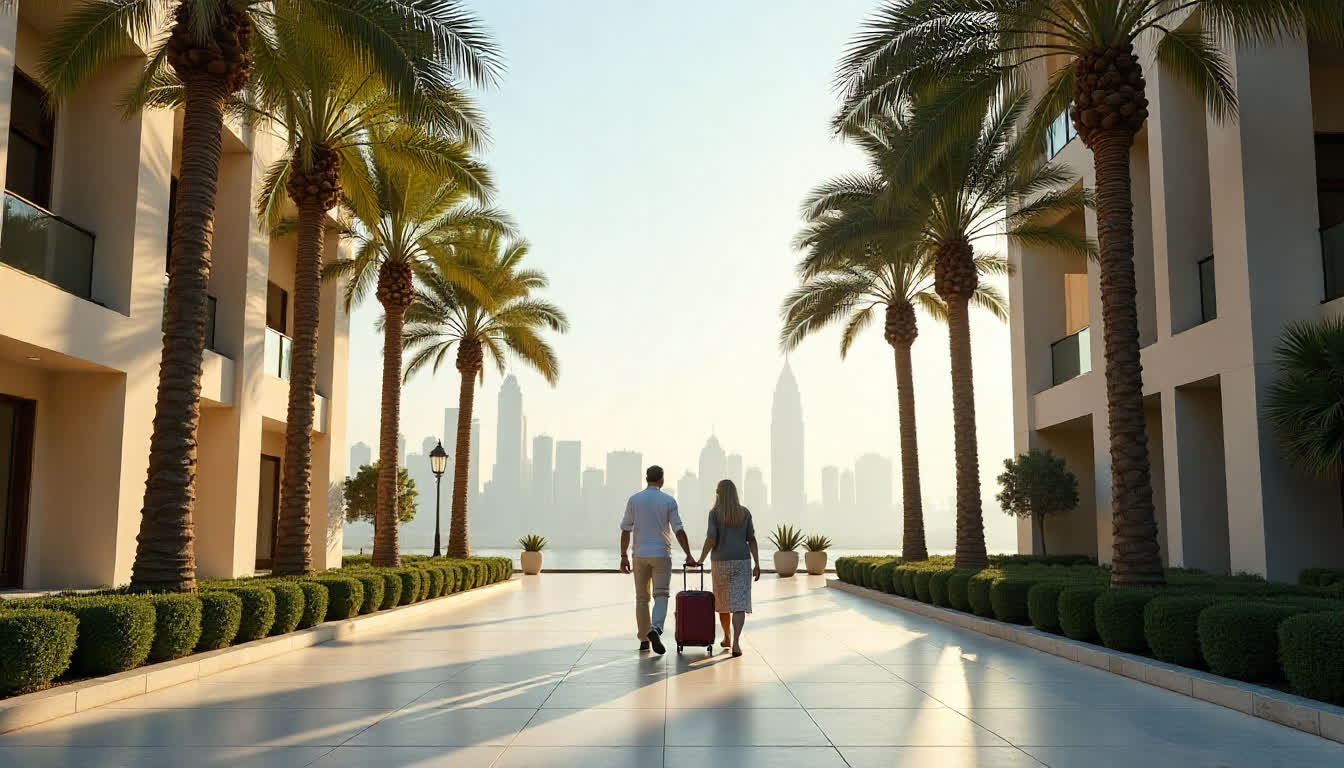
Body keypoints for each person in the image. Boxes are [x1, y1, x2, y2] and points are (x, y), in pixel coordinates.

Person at [620, 465, 696, 654]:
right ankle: (655, 629)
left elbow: (625, 530)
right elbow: (678, 530)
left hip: (639, 554)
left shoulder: (634, 500)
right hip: (661, 554)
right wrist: (688, 553)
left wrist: (623, 556)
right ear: (661, 480)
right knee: (661, 595)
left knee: (641, 598)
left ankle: (644, 639)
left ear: (646, 479)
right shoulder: (668, 501)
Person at [695, 479, 760, 657]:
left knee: (723, 603)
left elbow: (711, 539)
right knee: (739, 603)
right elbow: (751, 539)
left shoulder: (714, 513)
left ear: (719, 493)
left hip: (720, 562)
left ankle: (726, 637)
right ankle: (737, 643)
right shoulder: (744, 513)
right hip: (742, 561)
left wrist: (701, 559)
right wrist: (757, 563)